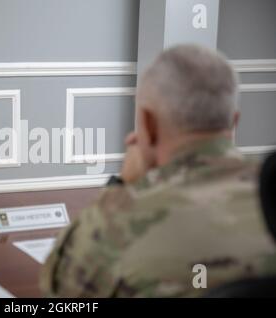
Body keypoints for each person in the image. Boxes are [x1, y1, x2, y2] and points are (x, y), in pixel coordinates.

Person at [40, 44, 276, 297]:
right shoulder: (269, 195)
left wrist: (121, 188)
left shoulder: (112, 227)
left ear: (148, 124)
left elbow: (59, 291)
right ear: (234, 122)